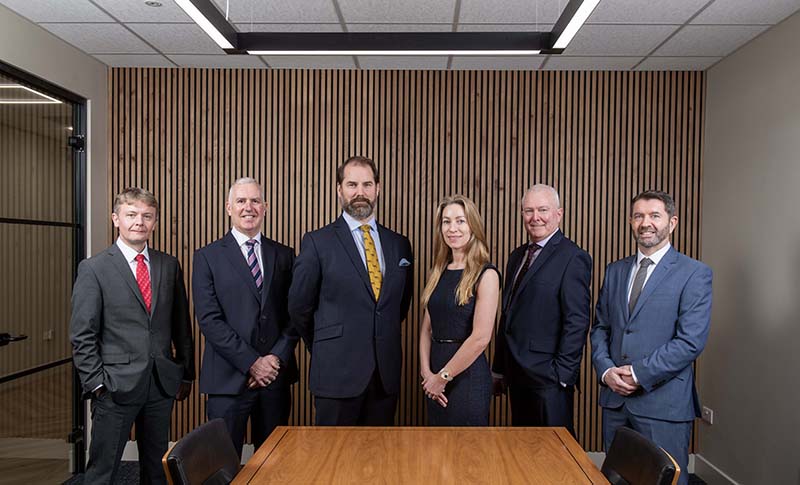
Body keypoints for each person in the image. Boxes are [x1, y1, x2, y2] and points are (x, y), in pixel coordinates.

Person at [70, 187, 194, 484]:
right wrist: (97, 384)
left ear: (155, 222)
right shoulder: (94, 269)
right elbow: (82, 333)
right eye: (132, 215)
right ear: (116, 219)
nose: (140, 221)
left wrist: (185, 374)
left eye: (147, 216)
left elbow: (181, 326)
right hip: (113, 387)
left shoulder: (168, 265)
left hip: (160, 384)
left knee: (156, 469)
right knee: (103, 471)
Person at [591, 190, 712, 485]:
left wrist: (637, 373)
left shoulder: (694, 273)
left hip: (663, 405)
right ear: (631, 222)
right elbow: (600, 328)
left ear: (672, 222)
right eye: (639, 216)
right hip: (615, 401)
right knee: (617, 480)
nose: (646, 223)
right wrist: (606, 371)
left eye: (654, 216)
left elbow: (690, 341)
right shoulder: (616, 270)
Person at [288, 156, 413, 426]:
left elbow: (399, 306)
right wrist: (325, 345)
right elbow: (299, 307)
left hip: (384, 377)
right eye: (352, 184)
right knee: (334, 463)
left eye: (367, 184)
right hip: (335, 375)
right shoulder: (317, 242)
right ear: (339, 189)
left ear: (378, 189)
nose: (360, 192)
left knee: (379, 461)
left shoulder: (399, 244)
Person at [192, 177, 298, 456]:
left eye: (255, 201)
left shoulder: (284, 255)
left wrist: (274, 360)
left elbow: (295, 314)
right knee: (221, 465)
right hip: (227, 380)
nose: (248, 207)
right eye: (241, 201)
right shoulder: (207, 257)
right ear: (228, 207)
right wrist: (252, 363)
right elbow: (209, 320)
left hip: (274, 378)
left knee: (272, 465)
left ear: (265, 207)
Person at [492, 184, 592, 435]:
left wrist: (562, 375)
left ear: (559, 214)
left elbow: (577, 321)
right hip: (517, 375)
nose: (535, 217)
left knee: (555, 458)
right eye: (528, 210)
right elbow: (508, 315)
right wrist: (499, 368)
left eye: (542, 210)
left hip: (549, 380)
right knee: (524, 451)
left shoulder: (573, 257)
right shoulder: (516, 256)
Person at [419, 195, 500, 426]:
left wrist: (443, 377)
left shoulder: (487, 274)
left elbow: (481, 338)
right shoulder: (439, 272)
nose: (452, 228)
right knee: (437, 454)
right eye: (446, 222)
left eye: (460, 221)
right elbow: (426, 329)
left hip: (467, 378)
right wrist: (427, 374)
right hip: (434, 380)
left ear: (473, 226)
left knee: (467, 455)